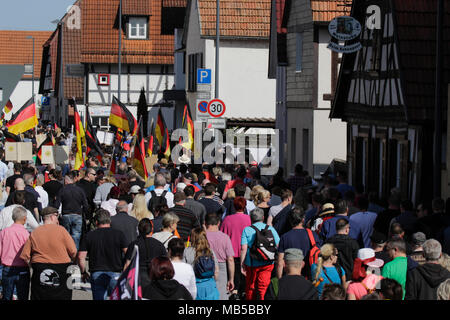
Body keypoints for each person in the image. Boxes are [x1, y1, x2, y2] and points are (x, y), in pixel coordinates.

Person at [20, 207, 77, 300]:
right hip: (61, 268)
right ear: (52, 217)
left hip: (40, 268)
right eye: (57, 216)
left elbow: (25, 255)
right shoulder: (62, 231)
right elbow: (73, 251)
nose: (58, 219)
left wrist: (32, 266)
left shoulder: (35, 232)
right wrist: (74, 263)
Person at [77, 208, 128, 300]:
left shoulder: (89, 236)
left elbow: (81, 257)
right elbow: (128, 254)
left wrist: (83, 272)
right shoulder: (119, 234)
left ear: (96, 222)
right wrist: (126, 269)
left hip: (96, 272)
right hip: (116, 272)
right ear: (110, 221)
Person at [240, 207, 280, 300]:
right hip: (268, 262)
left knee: (251, 286)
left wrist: (242, 264)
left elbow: (243, 248)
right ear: (263, 218)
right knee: (264, 287)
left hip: (252, 263)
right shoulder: (270, 229)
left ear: (251, 218)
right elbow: (278, 245)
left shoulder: (247, 230)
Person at [276, 207, 321, 279]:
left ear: (290, 220)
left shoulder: (285, 237)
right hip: (308, 276)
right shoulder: (313, 235)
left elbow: (280, 263)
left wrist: (280, 280)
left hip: (290, 276)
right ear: (303, 219)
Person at [220, 197, 251, 297]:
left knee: (234, 274)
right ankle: (242, 291)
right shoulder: (249, 219)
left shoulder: (228, 219)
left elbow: (222, 235)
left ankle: (234, 291)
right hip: (246, 252)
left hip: (231, 252)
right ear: (245, 206)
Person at [123, 218, 167, 288]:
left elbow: (127, 265)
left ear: (139, 230)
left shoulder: (134, 244)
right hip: (155, 279)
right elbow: (165, 265)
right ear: (151, 230)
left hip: (137, 279)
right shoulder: (159, 245)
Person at [0, 206, 30, 300]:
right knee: (23, 295)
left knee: (7, 295)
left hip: (7, 268)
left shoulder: (4, 232)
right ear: (24, 219)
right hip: (23, 267)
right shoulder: (26, 233)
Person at [55, 172, 90, 250]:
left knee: (66, 236)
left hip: (66, 215)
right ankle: (74, 254)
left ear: (66, 181)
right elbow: (85, 205)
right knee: (76, 237)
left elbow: (57, 205)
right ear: (73, 180)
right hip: (77, 215)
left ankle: (67, 253)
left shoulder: (62, 190)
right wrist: (87, 216)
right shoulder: (80, 190)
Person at [205, 212, 235, 300]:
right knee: (221, 295)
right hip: (222, 267)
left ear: (205, 223)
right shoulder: (224, 237)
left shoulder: (203, 236)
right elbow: (230, 259)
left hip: (205, 265)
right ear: (218, 223)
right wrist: (231, 279)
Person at [183, 228, 220, 300]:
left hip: (194, 286)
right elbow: (216, 271)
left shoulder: (187, 251)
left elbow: (184, 271)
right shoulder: (210, 252)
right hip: (210, 286)